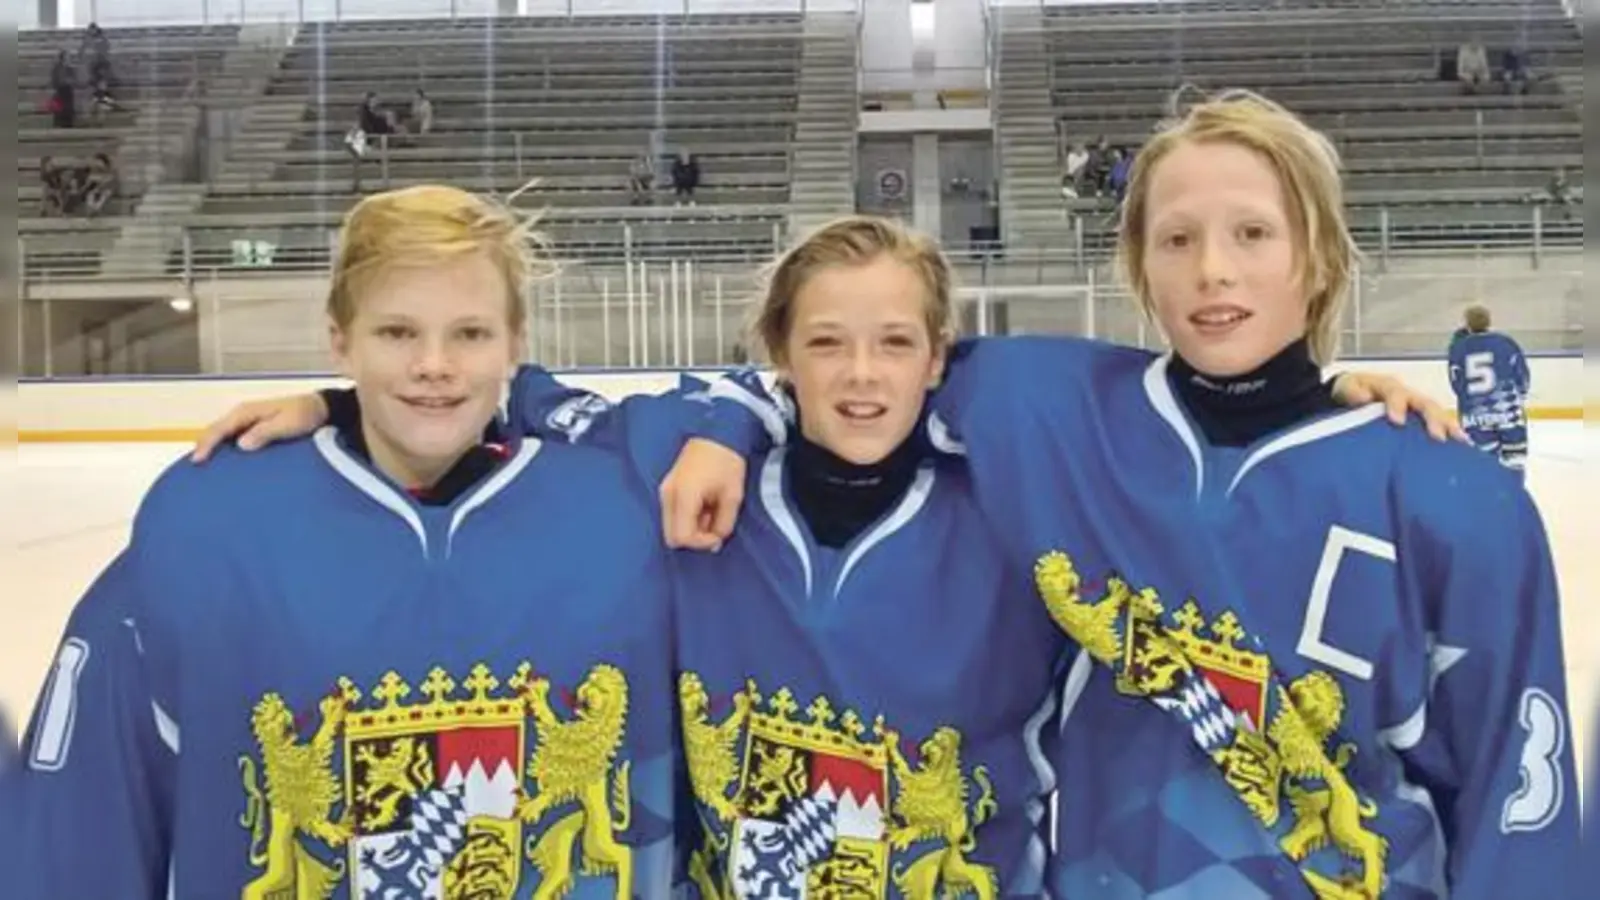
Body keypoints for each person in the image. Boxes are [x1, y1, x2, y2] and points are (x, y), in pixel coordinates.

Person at [195, 214, 1452, 898]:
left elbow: (1181, 437)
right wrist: (331, 401)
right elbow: (496, 388)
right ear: (776, 359)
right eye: (828, 344)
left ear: (940, 358)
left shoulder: (1014, 504)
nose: (861, 375)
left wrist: (1321, 400)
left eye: (896, 343)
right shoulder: (686, 479)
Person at [663, 91, 1577, 899]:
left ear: (1322, 255)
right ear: (1139, 264)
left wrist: (1335, 396)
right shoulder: (1045, 411)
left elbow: (1516, 797)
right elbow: (853, 373)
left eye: (1252, 233)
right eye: (1177, 238)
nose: (1213, 269)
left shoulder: (1456, 501)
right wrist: (725, 427)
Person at [6, 185, 679, 898]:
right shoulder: (210, 525)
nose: (433, 364)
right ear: (338, 340)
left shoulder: (621, 510)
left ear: (516, 343)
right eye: (396, 333)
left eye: (470, 333)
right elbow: (84, 816)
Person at [1449, 304, 1531, 480]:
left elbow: (1456, 383)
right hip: (1508, 413)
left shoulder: (1458, 348)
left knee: (1483, 465)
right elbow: (1522, 374)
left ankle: (1489, 504)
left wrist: (1469, 403)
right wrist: (1521, 395)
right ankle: (1513, 499)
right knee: (1515, 461)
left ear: (1467, 324)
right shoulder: (1506, 343)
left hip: (1474, 415)